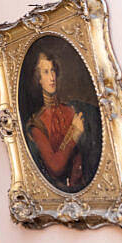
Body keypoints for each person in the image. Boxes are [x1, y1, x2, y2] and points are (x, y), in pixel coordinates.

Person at [26, 51, 88, 191]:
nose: (52, 77)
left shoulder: (69, 110)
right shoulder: (37, 124)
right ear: (39, 79)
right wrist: (74, 135)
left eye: (53, 71)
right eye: (46, 72)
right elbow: (55, 168)